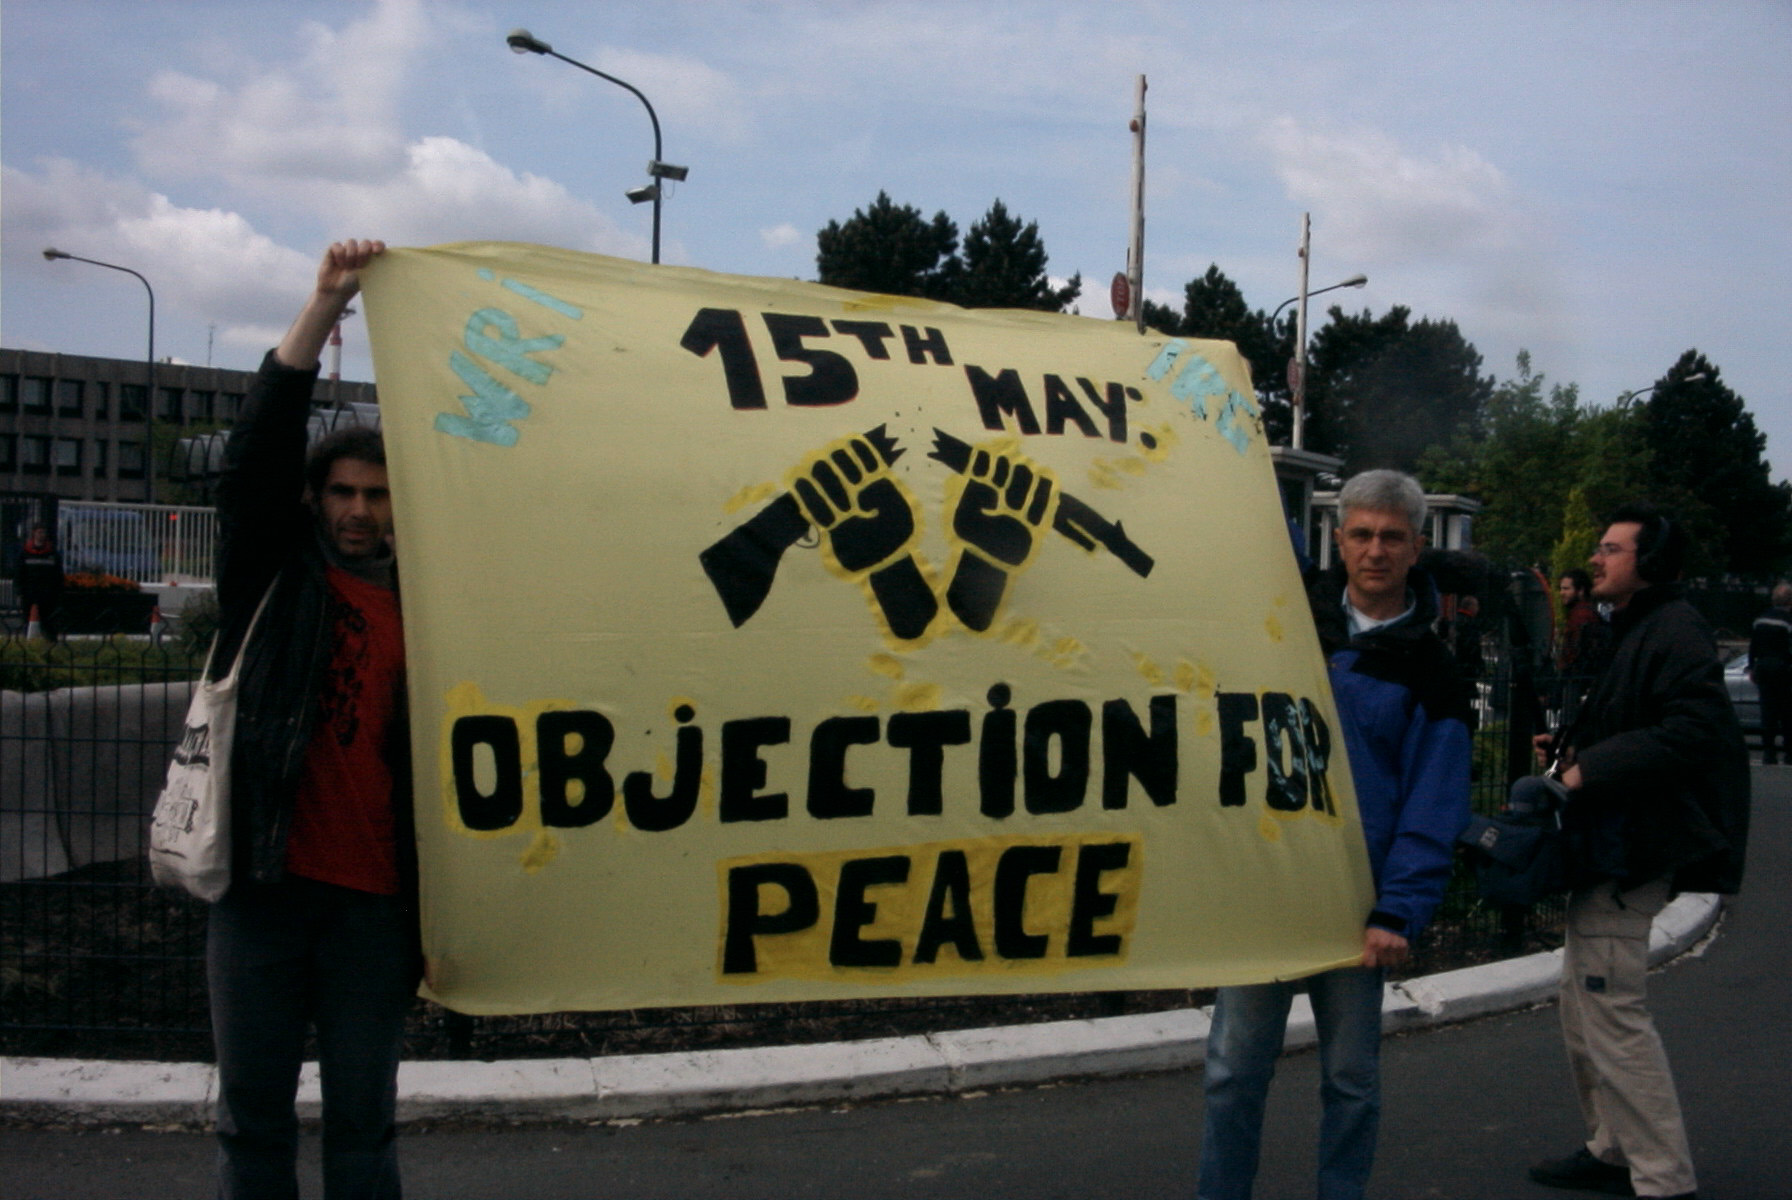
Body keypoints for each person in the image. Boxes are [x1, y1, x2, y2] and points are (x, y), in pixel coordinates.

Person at [205, 239, 418, 1199]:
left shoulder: (433, 609)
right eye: (343, 492)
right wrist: (324, 305)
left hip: (375, 913)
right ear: (315, 498)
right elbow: (253, 461)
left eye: (378, 495)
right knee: (253, 1126)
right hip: (262, 894)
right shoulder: (273, 583)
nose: (361, 512)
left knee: (363, 1131)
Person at [1198, 469, 1472, 1200]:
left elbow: (1433, 804)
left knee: (1350, 1082)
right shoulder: (1287, 623)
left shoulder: (1433, 673)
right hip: (1272, 895)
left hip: (1360, 910)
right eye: (1360, 534)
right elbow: (1245, 514)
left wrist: (1398, 911)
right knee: (1230, 1073)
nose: (1374, 550)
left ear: (1416, 548)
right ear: (1338, 540)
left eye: (1391, 537)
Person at [1528, 503, 1748, 1200]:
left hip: (1637, 849)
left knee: (1609, 1004)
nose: (1596, 559)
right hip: (1613, 844)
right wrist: (1572, 750)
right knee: (1580, 1000)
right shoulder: (1640, 627)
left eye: (1612, 549)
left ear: (1650, 565)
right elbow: (1641, 721)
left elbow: (1691, 732)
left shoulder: (1674, 629)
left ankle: (1662, 1177)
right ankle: (1613, 1148)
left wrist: (1583, 773)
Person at [1746, 581, 1792, 764]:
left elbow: (1753, 646)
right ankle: (1789, 752)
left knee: (1768, 712)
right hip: (1784, 670)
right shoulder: (1788, 622)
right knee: (1787, 713)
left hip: (1763, 669)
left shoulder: (1761, 619)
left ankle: (1768, 751)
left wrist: (1751, 667)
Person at [1554, 568, 1605, 723]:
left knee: (1569, 724)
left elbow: (1574, 650)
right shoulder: (1584, 612)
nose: (1562, 593)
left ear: (1581, 590)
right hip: (1580, 678)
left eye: (1566, 589)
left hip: (1577, 679)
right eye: (1561, 589)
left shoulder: (1581, 615)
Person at [18, 523, 65, 640]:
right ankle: (28, 640)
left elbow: (58, 574)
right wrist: (19, 590)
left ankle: (51, 642)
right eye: (39, 532)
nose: (41, 535)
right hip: (29, 592)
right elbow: (19, 572)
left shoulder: (52, 553)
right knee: (27, 620)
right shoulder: (25, 553)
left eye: (43, 532)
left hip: (47, 593)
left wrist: (57, 591)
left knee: (49, 622)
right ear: (33, 533)